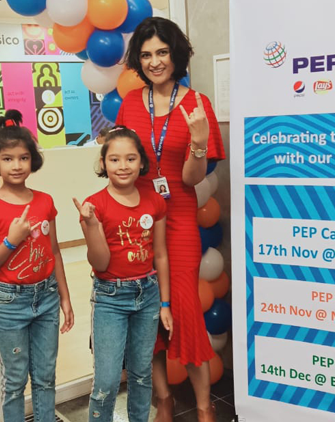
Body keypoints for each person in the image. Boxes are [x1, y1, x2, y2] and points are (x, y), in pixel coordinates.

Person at [116, 17, 226, 422]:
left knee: (183, 309)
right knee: (146, 313)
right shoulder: (130, 104)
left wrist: (198, 143)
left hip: (178, 216)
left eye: (162, 52)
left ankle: (202, 404)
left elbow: (190, 180)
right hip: (138, 217)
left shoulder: (198, 105)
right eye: (146, 55)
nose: (155, 61)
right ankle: (162, 398)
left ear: (175, 54)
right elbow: (126, 162)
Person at [75, 126, 174, 422]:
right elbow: (100, 262)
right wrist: (91, 225)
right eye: (115, 159)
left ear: (141, 163)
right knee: (106, 382)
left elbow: (160, 255)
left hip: (148, 295)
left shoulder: (155, 202)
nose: (123, 166)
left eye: (130, 159)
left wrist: (165, 304)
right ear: (103, 163)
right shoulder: (94, 205)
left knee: (142, 374)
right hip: (110, 297)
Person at [0, 125, 75, 422]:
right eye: (8, 159)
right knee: (16, 380)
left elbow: (54, 251)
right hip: (10, 304)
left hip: (46, 298)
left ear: (33, 160)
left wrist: (65, 298)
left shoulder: (44, 201)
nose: (17, 165)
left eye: (23, 157)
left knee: (45, 376)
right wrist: (11, 240)